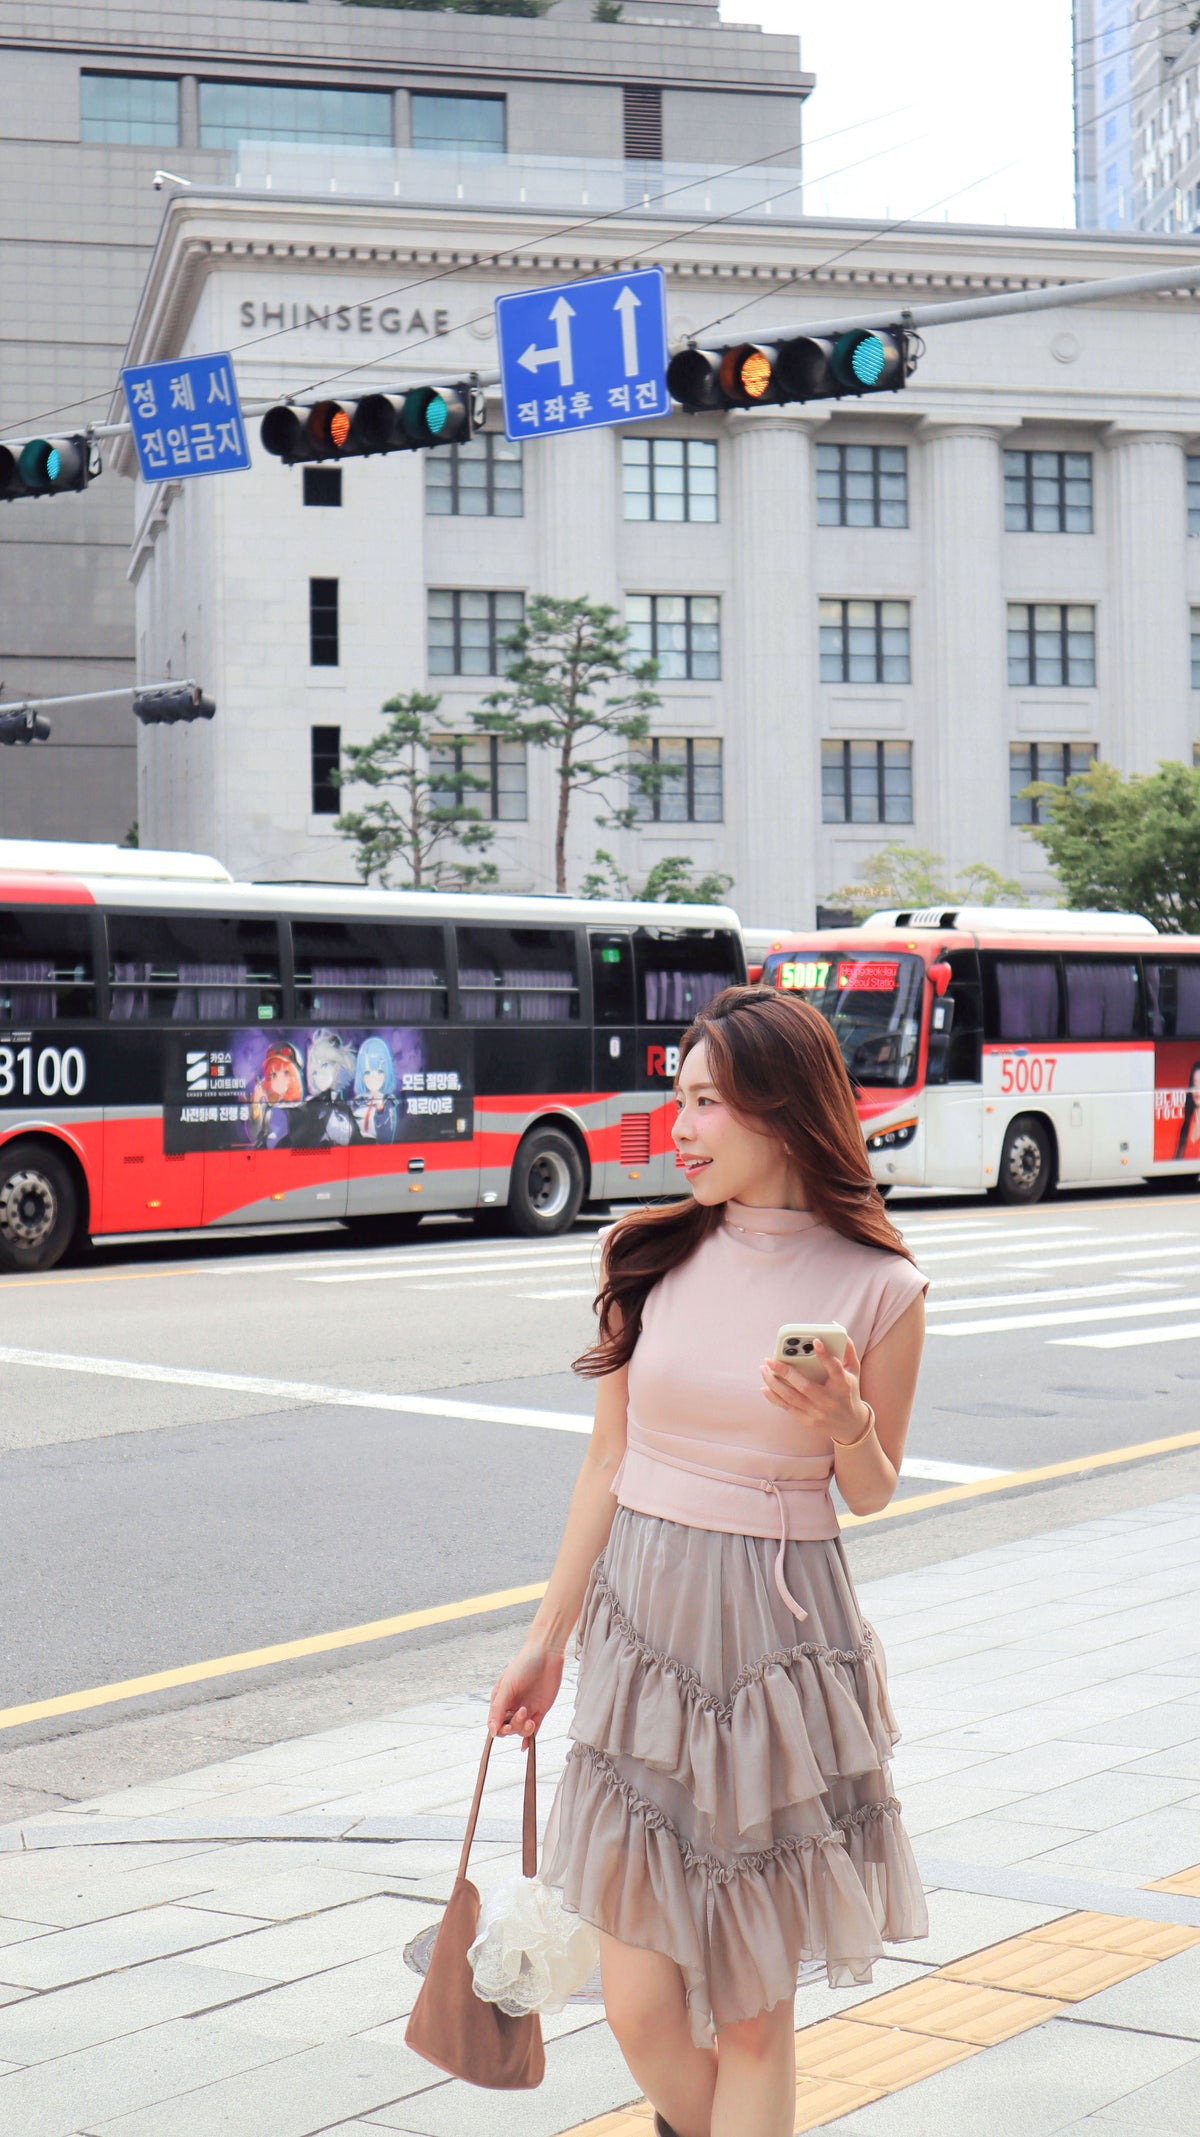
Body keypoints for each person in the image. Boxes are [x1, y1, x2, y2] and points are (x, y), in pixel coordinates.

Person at [488, 985, 928, 2137]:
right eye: (678, 1099)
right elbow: (605, 1465)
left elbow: (873, 1491)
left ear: (783, 1111)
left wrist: (842, 1415)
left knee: (747, 2010)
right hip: (643, 1639)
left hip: (779, 1651)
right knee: (635, 2004)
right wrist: (544, 1641)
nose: (678, 1129)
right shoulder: (644, 1252)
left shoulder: (879, 1284)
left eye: (708, 1104)